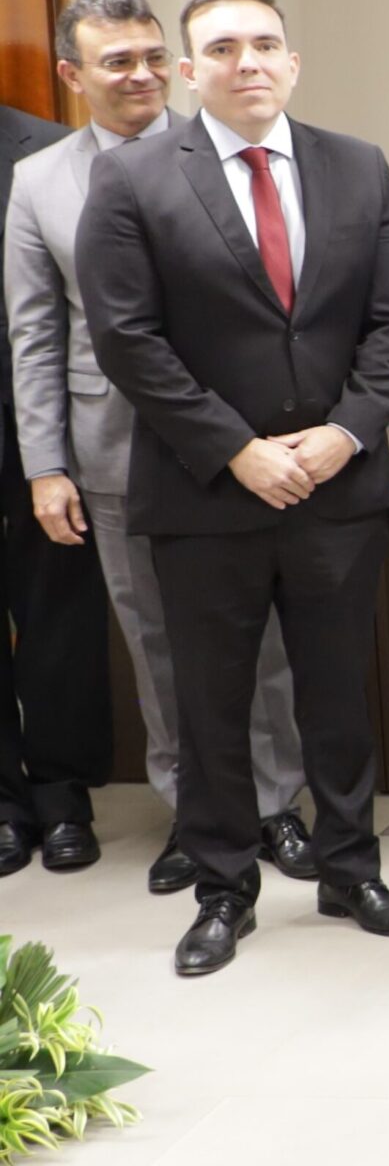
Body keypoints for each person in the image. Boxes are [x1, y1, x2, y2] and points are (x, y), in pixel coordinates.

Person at [78, 0, 389, 976]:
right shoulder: (139, 180)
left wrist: (348, 433)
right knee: (211, 704)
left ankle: (350, 867)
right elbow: (126, 339)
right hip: (204, 494)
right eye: (223, 48)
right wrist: (237, 448)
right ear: (190, 72)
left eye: (266, 44)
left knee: (337, 694)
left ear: (293, 61)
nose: (248, 62)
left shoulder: (357, 169)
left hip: (337, 487)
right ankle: (224, 889)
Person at [6, 0, 311, 893]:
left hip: (232, 443)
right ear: (73, 76)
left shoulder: (220, 148)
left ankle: (275, 804)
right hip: (113, 448)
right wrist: (46, 465)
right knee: (156, 643)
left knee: (260, 642)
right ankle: (198, 813)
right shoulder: (41, 181)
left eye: (150, 58)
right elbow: (36, 334)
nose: (139, 76)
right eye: (116, 62)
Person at [0, 93, 112, 880]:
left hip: (32, 425)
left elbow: (53, 317)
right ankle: (5, 805)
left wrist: (50, 452)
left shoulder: (47, 151)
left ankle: (63, 796)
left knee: (59, 618)